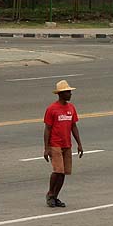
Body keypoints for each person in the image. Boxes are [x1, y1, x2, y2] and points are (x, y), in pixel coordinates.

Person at [43, 79, 84, 208]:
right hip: (55, 144)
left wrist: (79, 144)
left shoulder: (71, 108)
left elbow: (74, 127)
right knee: (58, 171)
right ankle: (50, 193)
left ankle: (55, 196)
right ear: (61, 94)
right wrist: (46, 148)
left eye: (70, 92)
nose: (70, 94)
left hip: (67, 145)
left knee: (64, 173)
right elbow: (47, 129)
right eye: (68, 92)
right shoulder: (52, 109)